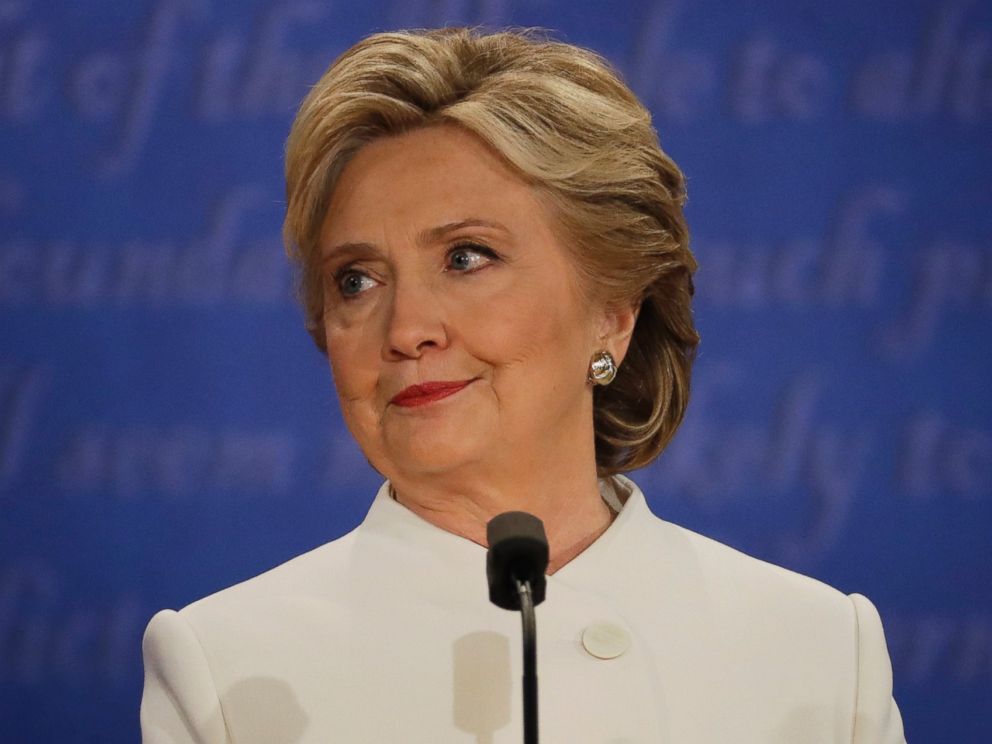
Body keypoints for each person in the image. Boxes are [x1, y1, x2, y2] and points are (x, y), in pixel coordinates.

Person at [140, 27, 906, 743]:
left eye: (467, 257)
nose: (406, 329)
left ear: (611, 314)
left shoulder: (820, 653)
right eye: (357, 279)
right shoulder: (228, 670)